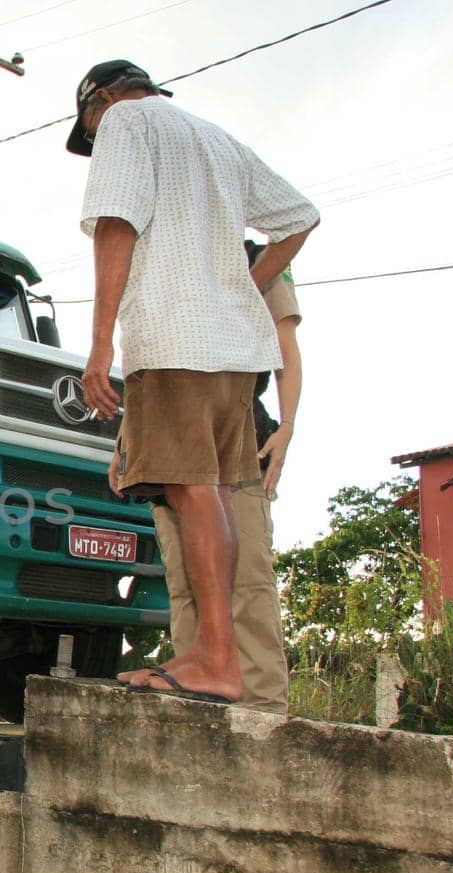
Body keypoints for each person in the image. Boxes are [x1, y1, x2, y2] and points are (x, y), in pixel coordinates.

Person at [67, 58, 318, 703]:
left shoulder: (125, 121)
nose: (93, 141)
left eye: (87, 128)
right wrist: (241, 290)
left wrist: (100, 347)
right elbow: (298, 217)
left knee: (192, 491)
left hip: (175, 340)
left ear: (101, 100)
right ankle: (211, 656)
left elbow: (116, 225)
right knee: (209, 491)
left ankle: (220, 662)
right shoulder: (215, 137)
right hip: (234, 355)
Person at [129, 241, 303, 712]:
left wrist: (287, 427)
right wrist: (126, 439)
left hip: (237, 441)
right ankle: (196, 703)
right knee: (186, 588)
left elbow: (285, 345)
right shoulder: (156, 257)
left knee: (246, 584)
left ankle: (265, 713)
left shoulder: (253, 255)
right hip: (168, 442)